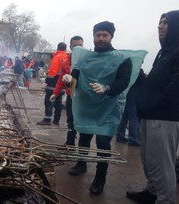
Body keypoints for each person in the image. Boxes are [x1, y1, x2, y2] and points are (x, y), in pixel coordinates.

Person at [63, 21, 146, 195]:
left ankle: (100, 178)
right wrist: (70, 78)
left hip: (108, 109)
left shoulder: (122, 59)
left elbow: (123, 82)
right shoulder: (86, 57)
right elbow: (77, 74)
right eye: (98, 35)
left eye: (105, 35)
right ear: (93, 36)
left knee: (102, 143)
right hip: (87, 106)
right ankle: (81, 163)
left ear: (111, 37)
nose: (101, 38)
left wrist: (107, 88)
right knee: (84, 137)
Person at [126, 10, 179, 204]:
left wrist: (157, 103)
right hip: (150, 115)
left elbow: (176, 85)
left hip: (164, 117)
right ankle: (152, 191)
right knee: (149, 159)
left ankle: (165, 200)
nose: (159, 26)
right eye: (159, 22)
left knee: (162, 163)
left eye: (165, 22)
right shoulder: (165, 51)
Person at [50, 36, 83, 145]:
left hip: (83, 97)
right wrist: (55, 93)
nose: (78, 48)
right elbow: (61, 80)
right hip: (71, 95)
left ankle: (83, 147)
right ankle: (70, 142)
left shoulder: (87, 60)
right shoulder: (66, 62)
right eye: (75, 45)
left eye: (80, 45)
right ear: (70, 46)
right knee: (70, 121)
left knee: (82, 122)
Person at [37, 42, 68, 125]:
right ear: (65, 49)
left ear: (58, 48)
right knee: (58, 101)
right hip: (63, 83)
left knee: (49, 100)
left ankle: (47, 119)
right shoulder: (67, 57)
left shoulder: (57, 57)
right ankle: (57, 120)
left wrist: (47, 81)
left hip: (54, 83)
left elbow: (52, 72)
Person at [115, 69, 146, 146]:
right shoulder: (138, 70)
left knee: (123, 117)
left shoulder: (128, 69)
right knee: (134, 118)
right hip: (134, 96)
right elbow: (143, 80)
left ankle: (120, 136)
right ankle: (133, 139)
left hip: (126, 94)